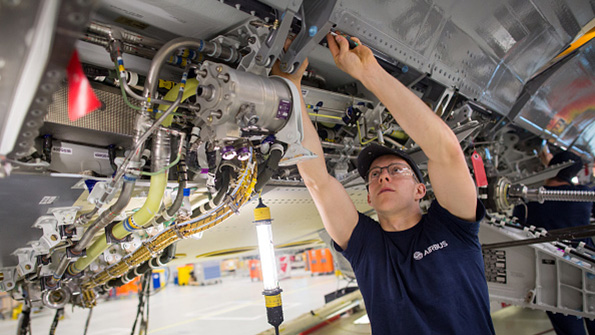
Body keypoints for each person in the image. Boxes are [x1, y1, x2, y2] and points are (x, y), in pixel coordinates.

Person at [272, 34, 495, 333]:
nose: (383, 176)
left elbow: (446, 152)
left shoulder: (453, 227)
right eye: (374, 175)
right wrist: (292, 89)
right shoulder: (367, 246)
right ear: (369, 196)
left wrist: (369, 73)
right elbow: (318, 181)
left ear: (420, 190)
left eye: (396, 170)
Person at [513, 150, 595, 335]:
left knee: (569, 328)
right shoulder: (583, 196)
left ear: (550, 169)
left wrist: (552, 166)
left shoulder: (526, 205)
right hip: (586, 269)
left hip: (551, 276)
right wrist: (556, 167)